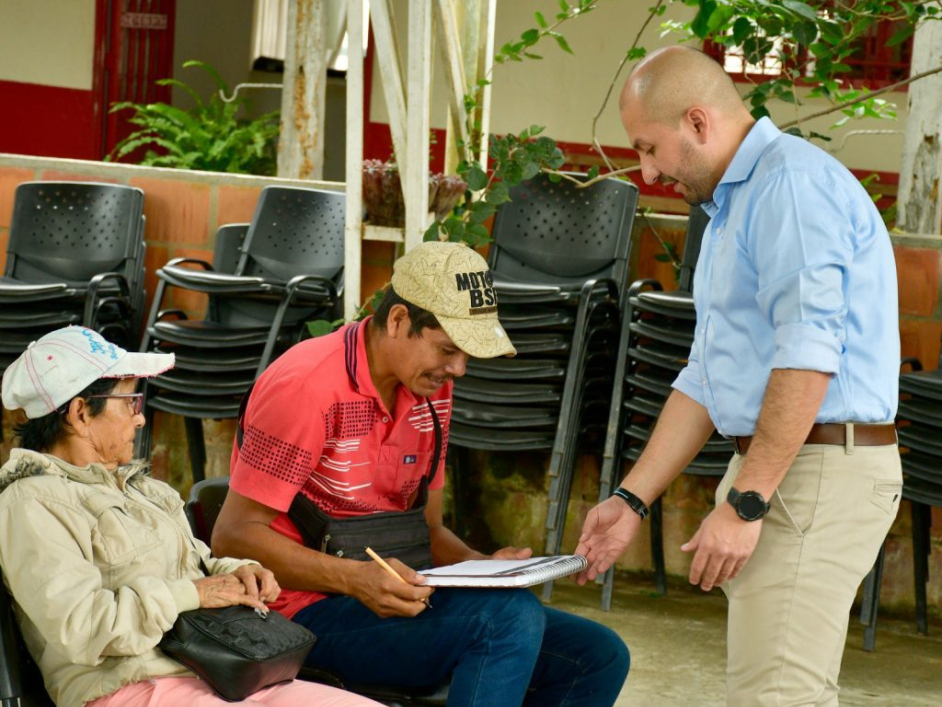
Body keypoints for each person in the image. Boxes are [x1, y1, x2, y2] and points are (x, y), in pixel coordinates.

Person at [575, 46, 901, 707]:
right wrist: (632, 498)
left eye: (649, 147)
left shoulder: (789, 187)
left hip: (810, 472)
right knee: (779, 691)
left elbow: (808, 353)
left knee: (775, 696)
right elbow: (709, 374)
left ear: (698, 121)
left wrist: (748, 500)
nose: (647, 170)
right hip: (790, 466)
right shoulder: (735, 204)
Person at [212, 241, 630, 707]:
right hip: (301, 613)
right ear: (398, 321)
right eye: (448, 349)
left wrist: (480, 567)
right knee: (505, 621)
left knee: (597, 653)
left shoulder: (431, 393)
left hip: (399, 595)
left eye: (467, 354)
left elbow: (427, 529)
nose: (459, 369)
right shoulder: (306, 387)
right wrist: (356, 579)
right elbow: (233, 535)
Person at [0, 326, 380, 707]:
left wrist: (239, 572)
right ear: (80, 414)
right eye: (130, 402)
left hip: (217, 673)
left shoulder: (143, 490)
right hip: (129, 687)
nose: (140, 419)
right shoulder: (31, 503)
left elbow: (198, 563)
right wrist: (194, 594)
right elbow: (81, 627)